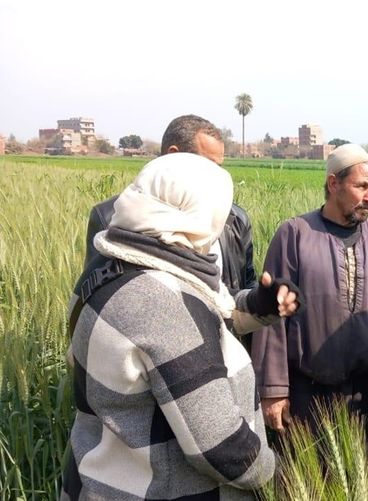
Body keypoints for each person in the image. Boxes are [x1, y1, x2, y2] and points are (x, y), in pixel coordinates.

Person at [61, 153, 288, 500]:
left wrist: (259, 306)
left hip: (101, 480)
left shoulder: (108, 269)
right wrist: (276, 472)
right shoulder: (161, 304)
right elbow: (222, 449)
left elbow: (205, 317)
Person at [252, 143, 368, 433]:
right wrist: (273, 389)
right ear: (334, 184)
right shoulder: (294, 234)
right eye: (362, 186)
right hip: (310, 398)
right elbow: (273, 315)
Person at [83, 114, 257, 296]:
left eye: (220, 167)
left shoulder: (236, 221)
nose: (218, 176)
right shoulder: (109, 218)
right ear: (173, 157)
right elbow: (102, 295)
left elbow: (247, 285)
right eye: (210, 165)